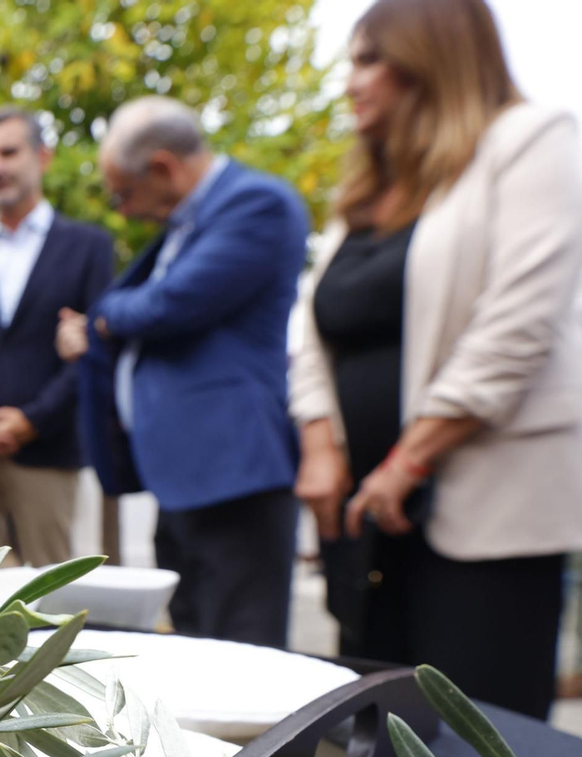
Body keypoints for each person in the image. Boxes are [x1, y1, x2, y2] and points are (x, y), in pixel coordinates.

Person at [289, 0, 582, 718]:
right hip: (370, 526)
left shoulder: (532, 140)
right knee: (383, 747)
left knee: (480, 752)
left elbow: (515, 325)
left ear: (430, 58)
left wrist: (408, 462)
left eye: (368, 60)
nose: (350, 81)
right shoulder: (364, 190)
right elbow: (310, 323)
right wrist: (320, 440)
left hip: (481, 511)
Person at [58, 97, 308, 648]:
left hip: (235, 474)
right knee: (196, 644)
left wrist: (101, 318)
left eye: (123, 192)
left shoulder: (255, 203)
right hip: (188, 480)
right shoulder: (186, 225)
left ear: (165, 167)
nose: (122, 210)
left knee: (243, 655)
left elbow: (168, 306)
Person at [0, 108, 112, 569]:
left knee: (51, 595)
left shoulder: (89, 247)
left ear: (43, 157)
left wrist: (31, 420)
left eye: (8, 152)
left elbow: (94, 347)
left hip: (47, 450)